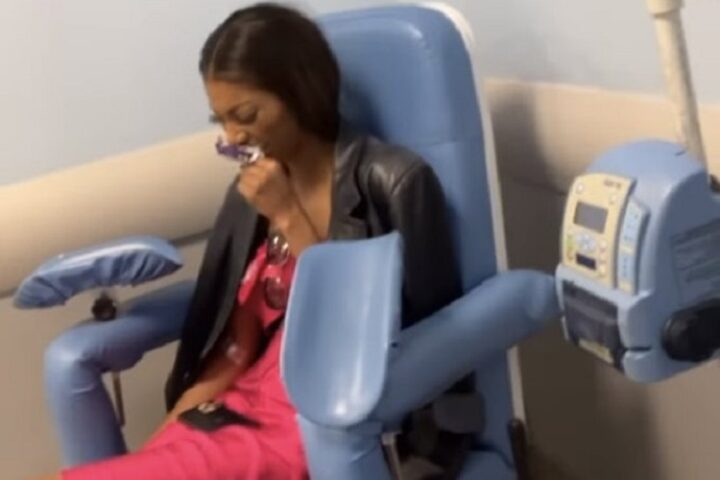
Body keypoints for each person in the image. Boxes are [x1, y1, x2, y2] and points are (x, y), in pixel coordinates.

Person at [31, 3, 462, 479]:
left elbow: (390, 338)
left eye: (246, 115)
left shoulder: (391, 182)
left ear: (301, 92)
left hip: (321, 420)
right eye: (220, 122)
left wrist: (288, 215)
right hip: (237, 407)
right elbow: (236, 347)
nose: (235, 137)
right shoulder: (249, 197)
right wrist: (169, 435)